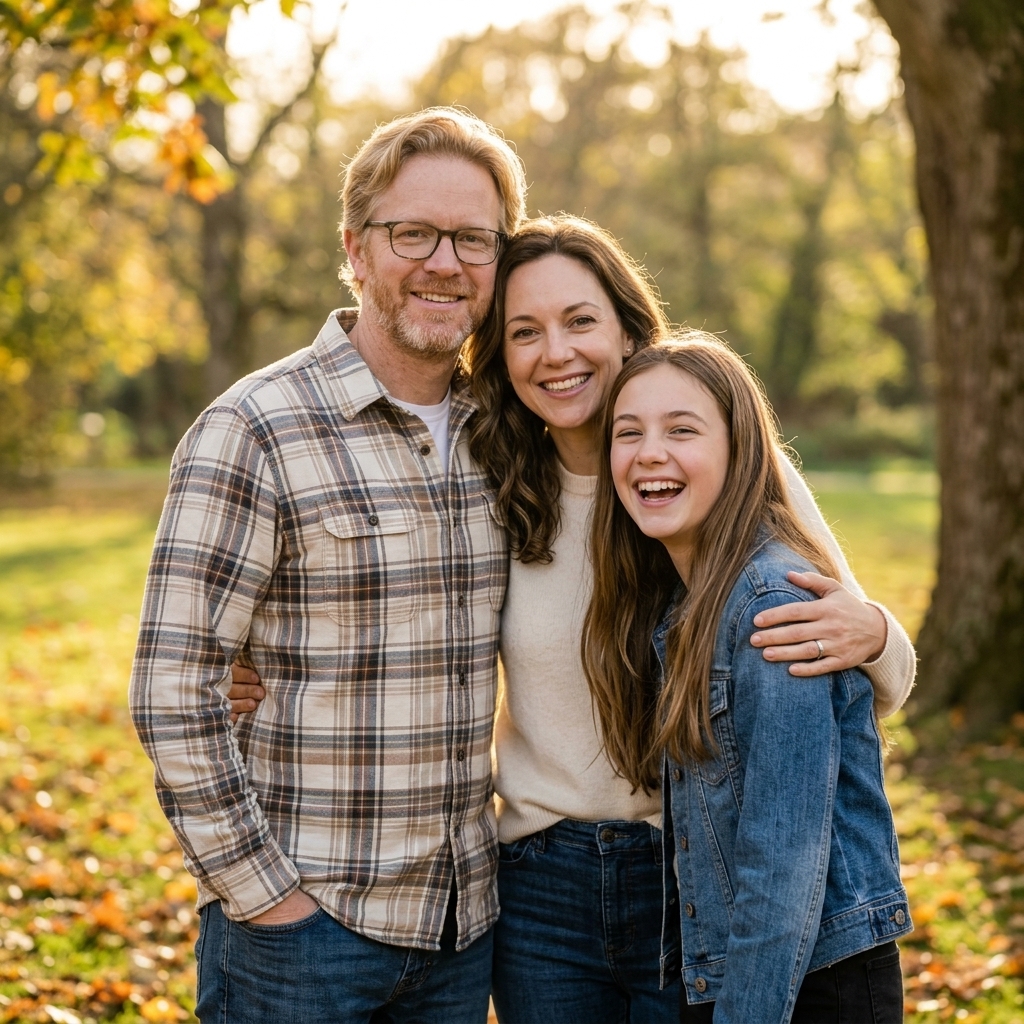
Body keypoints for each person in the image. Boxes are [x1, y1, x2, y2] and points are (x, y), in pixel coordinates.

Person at [232, 214, 916, 1021]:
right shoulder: (486, 479)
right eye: (525, 331)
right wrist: (259, 667)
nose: (556, 353)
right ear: (500, 355)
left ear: (629, 331)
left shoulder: (713, 471)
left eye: (580, 321)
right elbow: (386, 596)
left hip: (686, 875)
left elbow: (849, 670)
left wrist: (874, 632)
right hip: (539, 886)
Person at [128, 107, 528, 1023]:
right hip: (304, 938)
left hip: (463, 930)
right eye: (412, 233)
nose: (444, 261)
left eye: (473, 238)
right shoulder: (254, 428)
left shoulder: (506, 434)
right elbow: (173, 687)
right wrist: (265, 898)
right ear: (356, 249)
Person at [583, 339, 911, 1024]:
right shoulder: (689, 601)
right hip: (752, 972)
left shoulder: (769, 605)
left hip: (809, 984)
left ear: (740, 452)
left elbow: (784, 863)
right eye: (628, 432)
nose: (649, 453)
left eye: (681, 430)